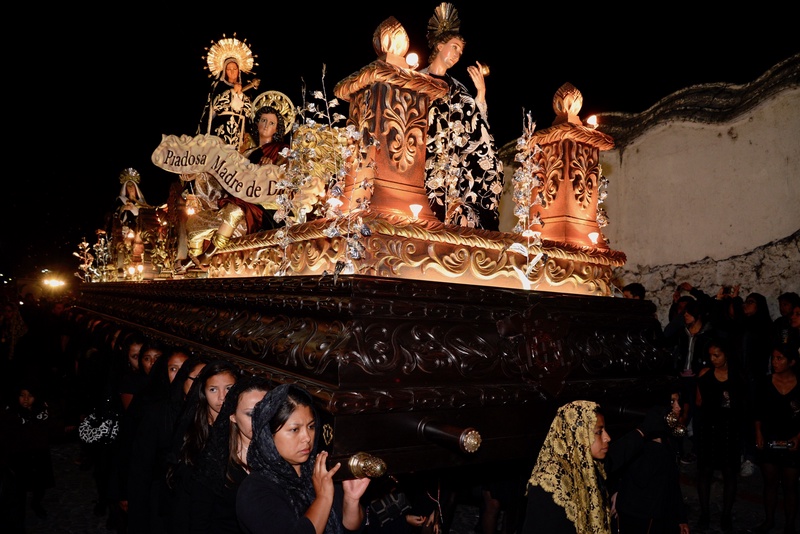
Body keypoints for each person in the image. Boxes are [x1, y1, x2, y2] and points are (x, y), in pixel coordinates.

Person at [236, 383, 371, 533]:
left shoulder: (319, 470)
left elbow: (352, 527)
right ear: (269, 435)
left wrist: (351, 500)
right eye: (295, 429)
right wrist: (323, 498)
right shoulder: (255, 490)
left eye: (311, 427)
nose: (307, 437)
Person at [421, 2, 504, 231]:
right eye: (454, 47)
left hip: (451, 169)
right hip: (422, 158)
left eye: (460, 51)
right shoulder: (416, 79)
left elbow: (478, 127)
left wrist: (481, 94)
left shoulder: (458, 89)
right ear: (440, 45)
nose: (458, 55)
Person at [188, 104, 292, 268]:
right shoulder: (246, 153)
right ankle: (193, 263)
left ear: (276, 129)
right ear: (257, 123)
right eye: (263, 120)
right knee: (194, 223)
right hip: (238, 198)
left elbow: (284, 170)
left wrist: (271, 167)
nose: (266, 125)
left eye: (271, 123)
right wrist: (199, 173)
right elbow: (227, 176)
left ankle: (207, 255)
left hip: (262, 205)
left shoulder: (282, 149)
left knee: (234, 210)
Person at [188, 375, 270, 533]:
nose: (260, 420)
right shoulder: (214, 461)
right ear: (233, 416)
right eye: (250, 414)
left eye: (266, 411)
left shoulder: (283, 456)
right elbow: (199, 521)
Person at [168, 359, 240, 534]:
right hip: (189, 512)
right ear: (203, 392)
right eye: (213, 389)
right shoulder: (191, 426)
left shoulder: (243, 427)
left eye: (229, 388)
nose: (222, 397)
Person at [520, 400, 611, 533]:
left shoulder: (590, 468)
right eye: (598, 432)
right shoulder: (548, 483)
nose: (607, 438)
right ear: (577, 434)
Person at [607, 404, 689, 534]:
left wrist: (680, 518)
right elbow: (617, 467)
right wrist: (617, 490)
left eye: (679, 402)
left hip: (659, 517)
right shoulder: (638, 440)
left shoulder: (668, 440)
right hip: (636, 517)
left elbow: (672, 482)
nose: (678, 407)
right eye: (672, 402)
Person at [694, 337, 748, 531]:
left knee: (729, 472)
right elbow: (699, 402)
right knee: (705, 471)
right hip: (709, 428)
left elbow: (744, 405)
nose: (713, 359)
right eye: (710, 355)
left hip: (729, 429)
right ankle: (704, 513)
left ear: (726, 354)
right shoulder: (705, 374)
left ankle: (726, 515)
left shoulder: (738, 375)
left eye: (717, 355)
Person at [751, 343, 800, 533]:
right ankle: (769, 520)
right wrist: (758, 433)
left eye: (780, 358)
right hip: (770, 437)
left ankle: (790, 525)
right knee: (770, 483)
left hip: (791, 439)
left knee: (790, 485)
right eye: (773, 358)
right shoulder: (765, 382)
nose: (775, 362)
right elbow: (757, 411)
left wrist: (798, 437)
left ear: (791, 362)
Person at [198, 36, 258, 150]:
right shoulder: (218, 87)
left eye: (234, 69)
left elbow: (250, 113)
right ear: (225, 71)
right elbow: (212, 109)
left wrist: (240, 94)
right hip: (220, 132)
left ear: (239, 70)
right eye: (229, 69)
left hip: (239, 134)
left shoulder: (247, 90)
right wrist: (232, 92)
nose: (232, 72)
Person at [116, 168, 150, 234]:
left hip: (139, 230)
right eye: (128, 186)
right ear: (125, 188)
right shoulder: (121, 200)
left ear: (135, 187)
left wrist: (135, 209)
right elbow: (115, 214)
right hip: (124, 230)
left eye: (132, 185)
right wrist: (122, 208)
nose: (130, 187)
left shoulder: (141, 202)